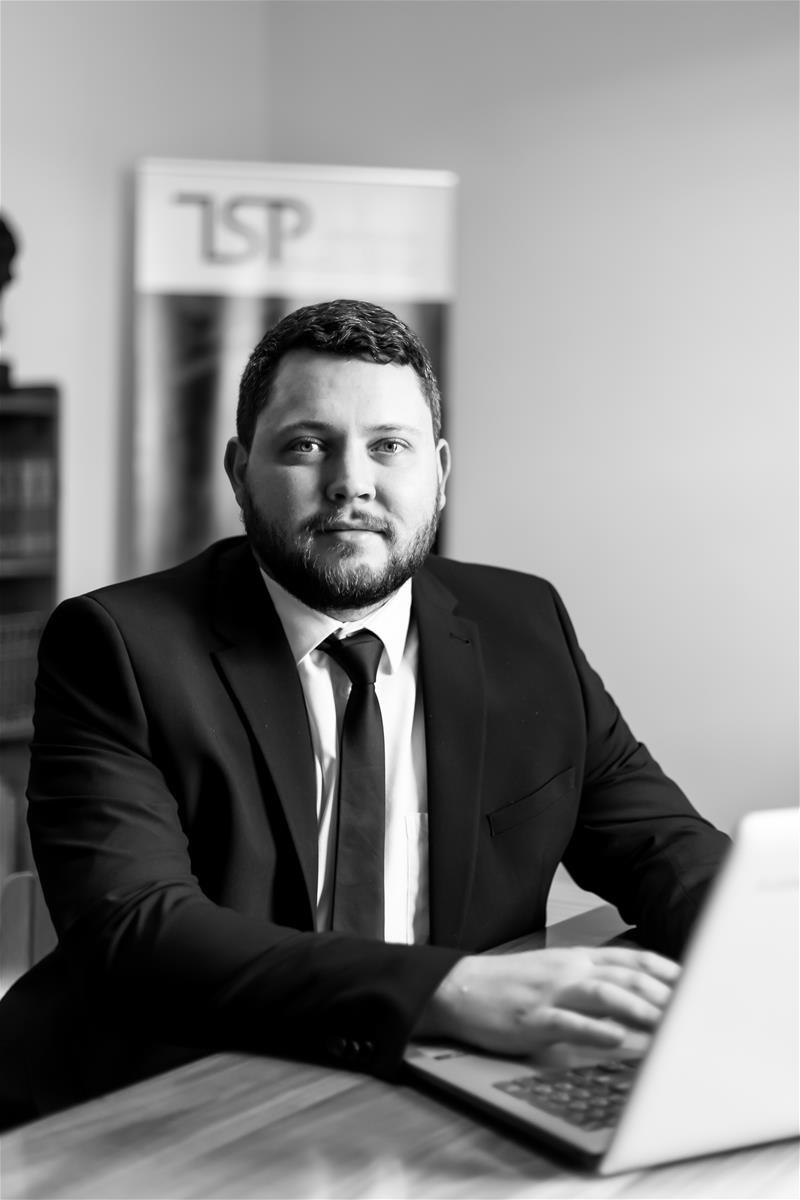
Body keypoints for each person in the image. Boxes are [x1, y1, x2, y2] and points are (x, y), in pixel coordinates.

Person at [0, 299, 729, 1125]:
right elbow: (135, 931)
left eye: (389, 445)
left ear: (440, 471)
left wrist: (760, 943)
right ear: (239, 471)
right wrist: (450, 991)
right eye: (308, 445)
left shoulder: (525, 626)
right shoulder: (117, 646)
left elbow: (664, 847)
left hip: (432, 1096)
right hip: (165, 1102)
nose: (352, 482)